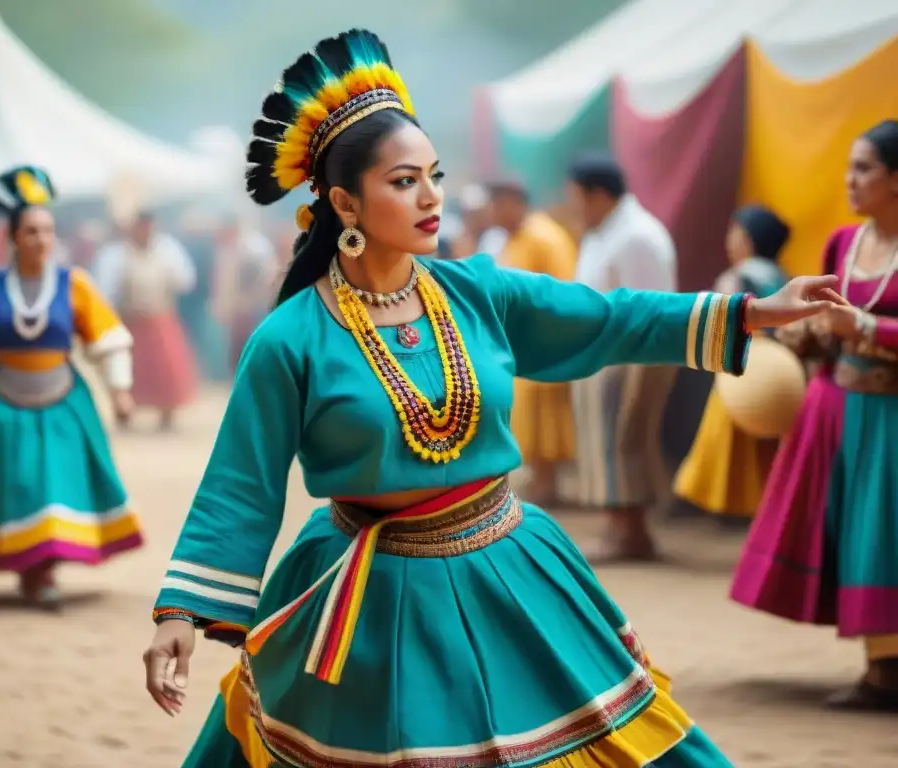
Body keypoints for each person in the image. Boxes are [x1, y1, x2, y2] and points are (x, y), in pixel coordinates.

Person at [142, 29, 839, 767]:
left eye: (434, 175)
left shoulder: (477, 292)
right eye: (404, 181)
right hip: (370, 598)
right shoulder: (291, 339)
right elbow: (239, 486)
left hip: (507, 565)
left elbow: (610, 318)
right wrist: (182, 614)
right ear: (345, 202)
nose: (432, 196)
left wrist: (748, 313)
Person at [731, 120, 898, 711]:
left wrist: (868, 327)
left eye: (864, 168)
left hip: (892, 418)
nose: (850, 180)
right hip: (839, 406)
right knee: (857, 534)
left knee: (886, 535)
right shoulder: (842, 245)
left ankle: (886, 672)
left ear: (896, 179)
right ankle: (882, 665)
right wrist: (800, 337)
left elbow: (859, 323)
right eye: (850, 166)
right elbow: (824, 326)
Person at [0, 167, 144, 608]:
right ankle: (30, 570)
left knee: (55, 489)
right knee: (22, 487)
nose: (40, 239)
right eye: (30, 231)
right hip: (4, 409)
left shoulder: (76, 285)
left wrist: (120, 390)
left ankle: (44, 574)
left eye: (46, 230)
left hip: (63, 403)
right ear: (13, 237)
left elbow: (106, 340)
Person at [566, 153, 680, 563]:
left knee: (623, 442)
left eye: (577, 196)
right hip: (606, 351)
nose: (573, 205)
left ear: (598, 195)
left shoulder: (636, 235)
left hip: (633, 353)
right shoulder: (604, 231)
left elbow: (647, 306)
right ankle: (620, 529)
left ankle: (633, 533)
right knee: (607, 443)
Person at [673, 205, 790, 523]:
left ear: (748, 240)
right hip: (778, 371)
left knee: (725, 439)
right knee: (767, 442)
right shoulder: (781, 275)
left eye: (734, 233)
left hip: (741, 365)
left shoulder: (737, 276)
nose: (729, 241)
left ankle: (728, 507)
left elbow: (720, 322)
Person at [491, 181, 577, 506]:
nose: (494, 213)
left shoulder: (544, 236)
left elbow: (562, 290)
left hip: (544, 339)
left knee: (546, 416)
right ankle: (543, 483)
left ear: (514, 201)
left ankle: (547, 484)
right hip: (519, 342)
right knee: (530, 415)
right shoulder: (515, 238)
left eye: (498, 204)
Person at [94, 212, 198, 431]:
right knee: (126, 371)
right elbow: (105, 290)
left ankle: (167, 416)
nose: (145, 233)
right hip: (130, 321)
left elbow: (186, 281)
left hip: (160, 319)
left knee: (167, 370)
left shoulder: (168, 250)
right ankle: (125, 414)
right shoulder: (116, 255)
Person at [211, 216, 278, 373]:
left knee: (253, 349)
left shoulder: (253, 247)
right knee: (238, 351)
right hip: (239, 310)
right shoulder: (228, 247)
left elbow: (260, 278)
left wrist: (245, 301)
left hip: (253, 308)